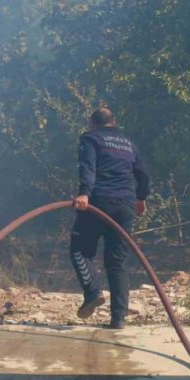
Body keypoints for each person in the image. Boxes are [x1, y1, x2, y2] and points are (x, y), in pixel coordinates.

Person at [70, 107, 150, 330]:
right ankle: (118, 318)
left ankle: (93, 292)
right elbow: (142, 173)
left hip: (98, 202)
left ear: (92, 124)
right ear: (113, 123)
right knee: (118, 261)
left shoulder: (90, 139)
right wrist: (141, 198)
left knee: (79, 250)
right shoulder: (128, 143)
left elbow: (88, 167)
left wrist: (84, 192)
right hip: (125, 205)